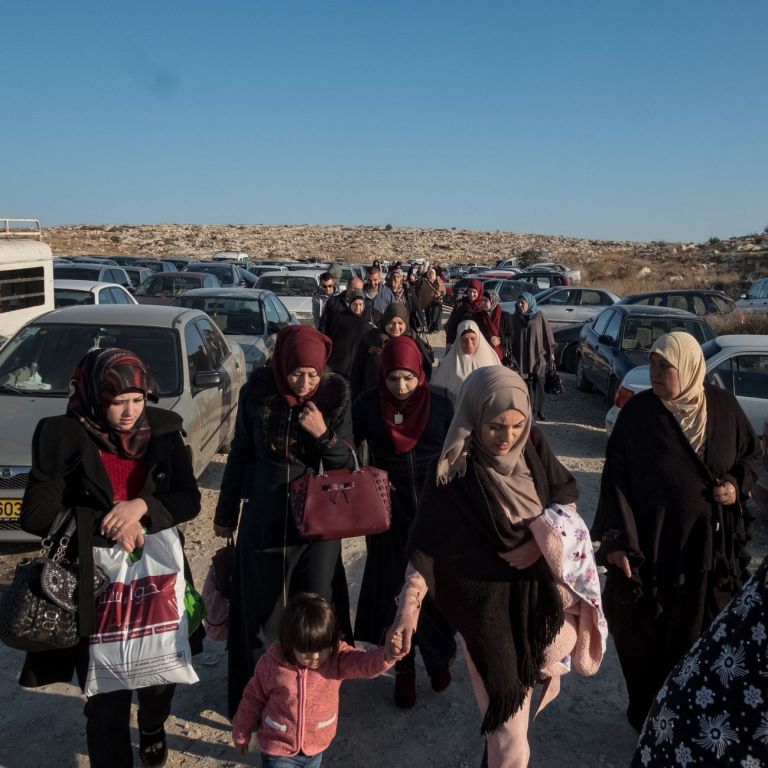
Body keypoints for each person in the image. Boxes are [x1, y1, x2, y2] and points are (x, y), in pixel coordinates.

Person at [387, 366, 606, 768]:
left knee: (508, 732)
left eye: (516, 426)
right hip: (486, 613)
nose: (507, 438)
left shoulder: (533, 446)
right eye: (495, 427)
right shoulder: (455, 470)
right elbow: (426, 547)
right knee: (509, 735)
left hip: (535, 604)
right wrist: (408, 607)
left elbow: (566, 498)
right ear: (474, 417)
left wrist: (538, 545)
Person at [18, 347, 202, 768]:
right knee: (105, 701)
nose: (129, 412)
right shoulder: (62, 435)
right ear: (94, 397)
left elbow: (188, 499)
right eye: (118, 401)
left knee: (160, 680)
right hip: (93, 587)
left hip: (155, 578)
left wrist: (141, 509)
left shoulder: (164, 431)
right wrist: (108, 521)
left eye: (138, 400)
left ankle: (153, 726)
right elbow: (36, 513)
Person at [590, 331, 761, 732]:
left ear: (687, 368)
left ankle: (691, 719)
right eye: (651, 363)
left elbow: (752, 455)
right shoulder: (639, 415)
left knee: (705, 641)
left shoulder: (722, 407)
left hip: (707, 555)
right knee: (648, 639)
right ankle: (653, 720)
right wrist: (617, 544)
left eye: (664, 366)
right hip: (654, 554)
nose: (654, 372)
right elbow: (615, 480)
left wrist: (736, 485)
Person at [214, 325, 355, 717]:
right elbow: (240, 454)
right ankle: (261, 702)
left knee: (316, 610)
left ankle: (314, 700)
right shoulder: (257, 391)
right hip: (266, 512)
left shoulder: (335, 394)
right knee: (263, 614)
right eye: (297, 374)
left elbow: (348, 464)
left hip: (318, 520)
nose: (306, 383)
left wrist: (323, 433)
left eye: (312, 374)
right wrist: (226, 514)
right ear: (283, 364)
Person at [353, 337, 456, 708]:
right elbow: (347, 448)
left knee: (434, 594)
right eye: (394, 378)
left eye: (408, 379)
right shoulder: (367, 406)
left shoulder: (443, 404)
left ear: (420, 376)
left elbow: (462, 452)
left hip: (433, 516)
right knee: (395, 595)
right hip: (388, 518)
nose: (400, 387)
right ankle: (404, 669)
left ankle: (439, 658)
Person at [232, 593, 398, 767]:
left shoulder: (337, 658)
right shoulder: (272, 665)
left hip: (316, 747)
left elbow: (364, 664)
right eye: (306, 653)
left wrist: (387, 655)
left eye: (322, 649)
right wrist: (241, 730)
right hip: (278, 748)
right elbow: (253, 697)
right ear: (290, 643)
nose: (316, 657)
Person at [349, 303, 433, 399]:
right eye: (392, 323)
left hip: (405, 399)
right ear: (385, 322)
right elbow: (356, 373)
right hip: (374, 399)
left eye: (400, 323)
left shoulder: (414, 341)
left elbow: (426, 368)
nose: (396, 327)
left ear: (406, 323)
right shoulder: (370, 339)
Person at [431, 319, 500, 404]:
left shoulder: (491, 357)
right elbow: (438, 392)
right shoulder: (449, 362)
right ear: (458, 340)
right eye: (464, 340)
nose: (469, 343)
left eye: (472, 338)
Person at [510, 292, 554, 421]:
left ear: (529, 303)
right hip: (522, 358)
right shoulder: (514, 318)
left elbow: (548, 335)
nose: (519, 305)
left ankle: (540, 410)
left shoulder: (539, 316)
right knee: (524, 386)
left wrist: (551, 353)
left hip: (538, 357)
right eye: (518, 302)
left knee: (540, 385)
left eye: (522, 302)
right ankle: (527, 409)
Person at [325, 290, 376, 380]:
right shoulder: (341, 319)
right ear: (350, 304)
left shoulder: (369, 319)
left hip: (359, 365)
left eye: (360, 304)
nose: (358, 308)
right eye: (355, 304)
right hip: (341, 365)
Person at [445, 278, 485, 348]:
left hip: (480, 342)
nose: (472, 294)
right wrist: (449, 341)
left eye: (474, 292)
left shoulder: (483, 306)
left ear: (479, 292)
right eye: (470, 291)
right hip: (462, 340)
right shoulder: (461, 304)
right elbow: (452, 324)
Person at [476, 289, 505, 360]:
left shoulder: (505, 316)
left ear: (493, 301)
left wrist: (499, 341)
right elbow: (477, 333)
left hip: (501, 353)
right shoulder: (478, 316)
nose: (482, 302)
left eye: (486, 300)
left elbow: (510, 335)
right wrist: (490, 338)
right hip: (484, 352)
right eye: (482, 300)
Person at [418, 267, 446, 333]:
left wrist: (440, 294)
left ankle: (435, 328)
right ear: (428, 275)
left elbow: (444, 291)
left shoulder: (439, 281)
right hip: (427, 302)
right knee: (428, 316)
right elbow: (422, 294)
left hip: (437, 301)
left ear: (435, 274)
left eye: (432, 274)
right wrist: (420, 304)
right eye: (430, 274)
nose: (431, 275)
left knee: (435, 315)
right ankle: (430, 329)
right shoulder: (425, 283)